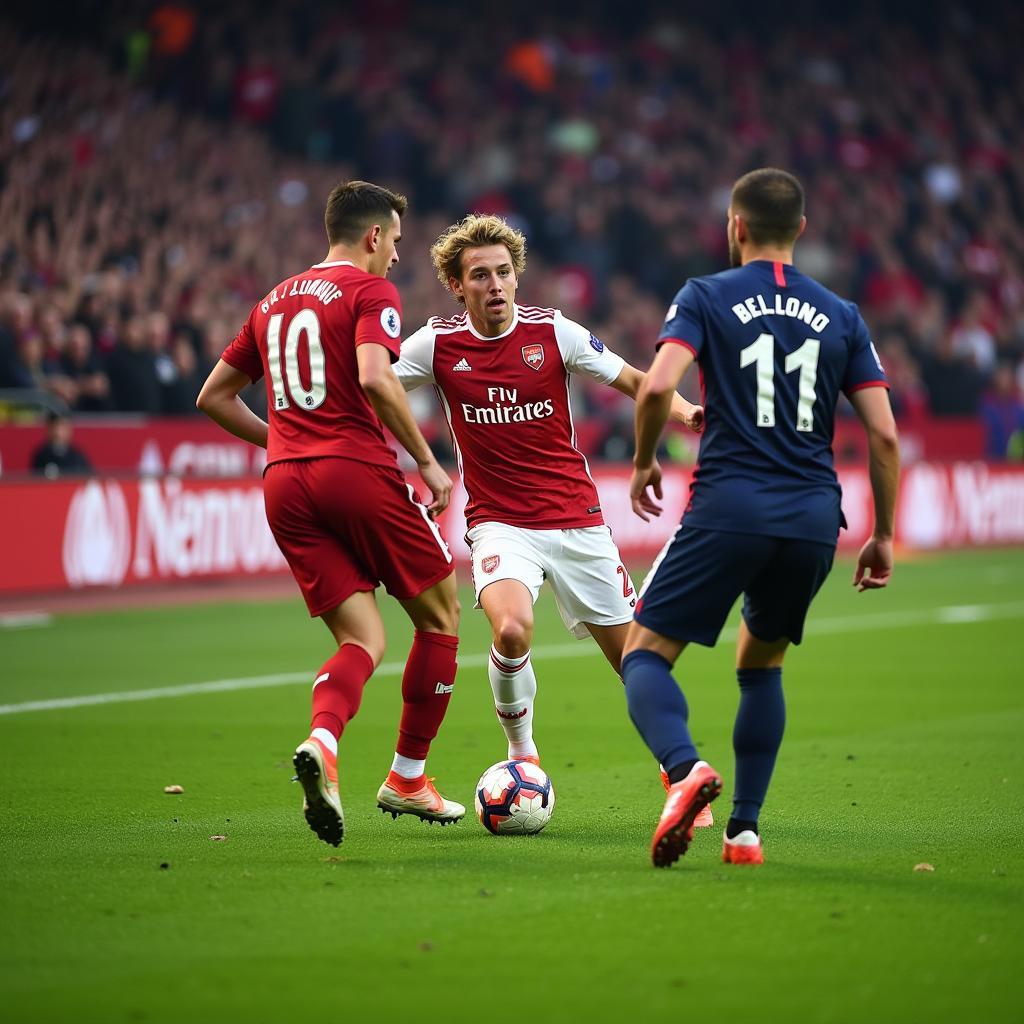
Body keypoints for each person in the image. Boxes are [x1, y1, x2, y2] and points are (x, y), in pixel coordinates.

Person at [622, 168, 900, 868]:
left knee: (644, 653)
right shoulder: (843, 314)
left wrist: (644, 460)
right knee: (762, 658)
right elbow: (885, 437)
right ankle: (743, 833)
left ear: (734, 226)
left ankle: (685, 771)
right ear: (801, 230)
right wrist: (884, 535)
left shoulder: (705, 294)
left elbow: (658, 385)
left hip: (729, 504)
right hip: (812, 516)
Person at [395, 213, 706, 806]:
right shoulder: (435, 344)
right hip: (499, 523)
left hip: (578, 521)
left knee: (638, 660)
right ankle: (523, 754)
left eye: (504, 273)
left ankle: (681, 775)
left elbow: (637, 381)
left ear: (518, 277)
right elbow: (372, 384)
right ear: (457, 287)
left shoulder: (555, 333)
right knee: (511, 629)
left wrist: (688, 414)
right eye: (479, 276)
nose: (495, 286)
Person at [197, 180, 465, 847]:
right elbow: (377, 378)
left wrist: (287, 438)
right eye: (396, 242)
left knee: (363, 641)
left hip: (284, 483)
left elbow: (213, 396)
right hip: (355, 472)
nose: (397, 258)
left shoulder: (271, 300)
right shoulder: (370, 292)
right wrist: (429, 462)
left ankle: (324, 739)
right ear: (373, 236)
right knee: (440, 615)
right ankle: (407, 777)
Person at [30, 411, 94, 478]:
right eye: (54, 427)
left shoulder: (78, 456)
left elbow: (88, 479)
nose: (58, 432)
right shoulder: (41, 455)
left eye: (62, 427)